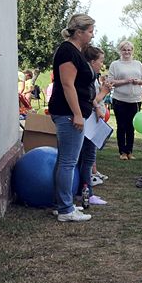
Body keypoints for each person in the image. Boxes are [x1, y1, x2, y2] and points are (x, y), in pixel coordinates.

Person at [48, 13, 97, 222]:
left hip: (72, 112)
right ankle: (66, 209)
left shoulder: (76, 51)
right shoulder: (67, 51)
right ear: (79, 32)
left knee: (64, 161)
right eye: (90, 31)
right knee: (68, 162)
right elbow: (67, 84)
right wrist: (77, 113)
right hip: (68, 113)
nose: (92, 36)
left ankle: (63, 206)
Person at [82, 45, 113, 204]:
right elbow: (91, 98)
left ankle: (86, 192)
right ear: (92, 61)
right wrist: (104, 92)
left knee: (88, 158)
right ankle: (88, 194)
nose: (102, 64)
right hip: (89, 124)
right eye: (100, 61)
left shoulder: (92, 77)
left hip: (92, 122)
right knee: (87, 159)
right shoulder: (87, 77)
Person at [108, 40, 142, 161]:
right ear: (120, 51)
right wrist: (125, 81)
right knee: (122, 126)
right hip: (120, 99)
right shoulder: (115, 64)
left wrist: (138, 81)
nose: (127, 52)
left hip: (135, 100)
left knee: (131, 127)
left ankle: (129, 151)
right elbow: (111, 82)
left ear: (132, 51)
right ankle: (122, 151)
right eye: (124, 49)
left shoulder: (138, 64)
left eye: (129, 50)